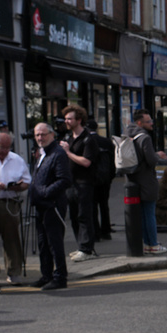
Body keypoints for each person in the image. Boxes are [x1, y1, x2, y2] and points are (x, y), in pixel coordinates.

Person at [0, 132, 31, 287]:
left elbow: (27, 181)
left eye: (8, 147)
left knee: (12, 240)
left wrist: (19, 186)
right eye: (1, 147)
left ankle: (14, 272)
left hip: (10, 202)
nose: (4, 151)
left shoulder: (16, 159)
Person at [30, 122, 73, 291]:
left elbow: (65, 180)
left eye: (43, 134)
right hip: (41, 205)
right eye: (37, 135)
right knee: (43, 243)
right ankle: (46, 275)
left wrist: (45, 192)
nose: (40, 138)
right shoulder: (42, 153)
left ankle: (60, 277)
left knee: (54, 243)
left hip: (52, 205)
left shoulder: (58, 153)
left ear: (52, 134)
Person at [125, 109, 167, 254]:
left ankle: (144, 243)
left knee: (139, 215)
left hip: (132, 179)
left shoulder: (127, 134)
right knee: (149, 213)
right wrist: (158, 155)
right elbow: (150, 160)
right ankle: (153, 245)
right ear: (140, 123)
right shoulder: (145, 137)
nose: (152, 123)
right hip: (146, 181)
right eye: (148, 121)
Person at [60, 105, 99, 262]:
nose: (66, 121)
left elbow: (86, 162)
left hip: (84, 183)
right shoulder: (69, 138)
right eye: (66, 118)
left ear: (79, 120)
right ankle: (80, 246)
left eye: (70, 118)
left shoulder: (88, 139)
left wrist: (68, 153)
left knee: (84, 216)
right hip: (71, 183)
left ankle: (87, 249)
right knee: (75, 216)